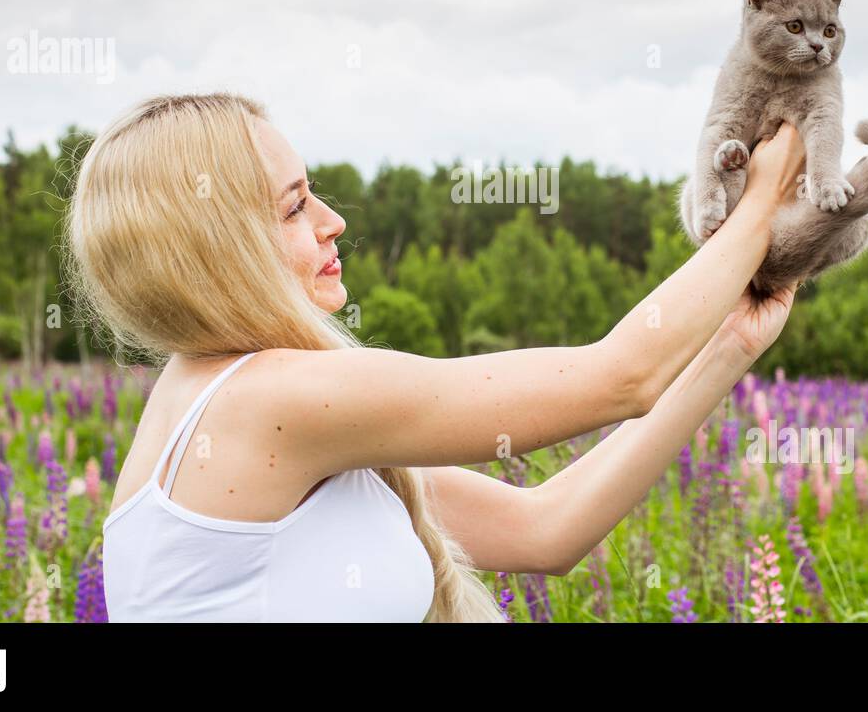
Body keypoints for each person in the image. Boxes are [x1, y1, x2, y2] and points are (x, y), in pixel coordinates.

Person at [69, 92, 805, 622]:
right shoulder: (266, 401)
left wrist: (729, 346)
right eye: (294, 206)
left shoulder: (229, 404)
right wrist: (763, 202)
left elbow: (546, 529)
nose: (333, 220)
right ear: (217, 247)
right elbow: (620, 376)